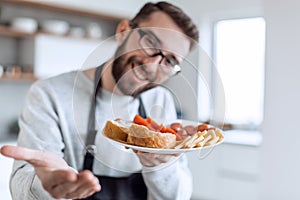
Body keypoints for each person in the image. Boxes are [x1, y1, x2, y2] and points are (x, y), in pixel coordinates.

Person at [0, 2, 199, 200]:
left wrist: (159, 166)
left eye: (170, 61)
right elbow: (21, 187)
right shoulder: (50, 94)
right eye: (150, 42)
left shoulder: (160, 100)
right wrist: (46, 185)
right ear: (123, 31)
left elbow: (178, 196)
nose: (151, 65)